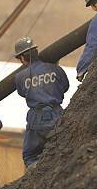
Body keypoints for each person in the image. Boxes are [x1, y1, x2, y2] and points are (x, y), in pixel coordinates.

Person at [13, 37, 69, 167]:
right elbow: (65, 87)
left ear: (22, 58)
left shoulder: (20, 77)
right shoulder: (55, 69)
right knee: (61, 150)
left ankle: (37, 181)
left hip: (36, 118)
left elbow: (22, 93)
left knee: (30, 156)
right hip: (57, 115)